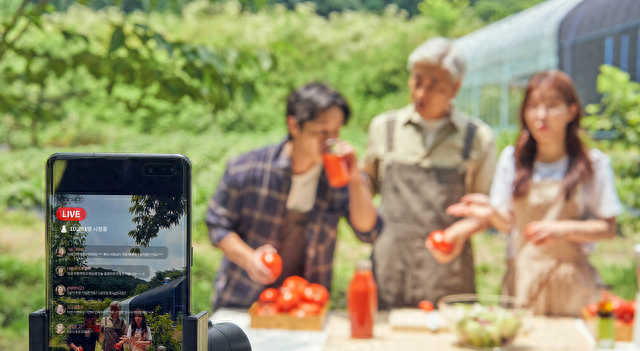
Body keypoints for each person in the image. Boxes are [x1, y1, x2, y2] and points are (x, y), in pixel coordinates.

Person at [439, 70, 622, 317]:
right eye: (533, 106)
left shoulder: (593, 165)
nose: (541, 115)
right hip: (522, 280)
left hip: (573, 281)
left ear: (571, 111)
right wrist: (491, 212)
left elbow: (608, 228)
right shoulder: (512, 161)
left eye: (552, 105)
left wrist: (564, 230)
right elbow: (508, 223)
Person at [206, 82, 382, 311]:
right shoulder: (246, 168)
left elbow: (368, 230)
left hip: (305, 305)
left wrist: (356, 179)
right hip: (243, 301)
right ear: (294, 126)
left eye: (336, 131)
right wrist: (249, 259)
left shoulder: (337, 176)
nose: (331, 141)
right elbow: (217, 224)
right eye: (322, 131)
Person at [362, 37, 497, 309]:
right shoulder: (384, 128)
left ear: (455, 88)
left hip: (448, 266)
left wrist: (457, 234)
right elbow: (365, 187)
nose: (421, 93)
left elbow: (486, 208)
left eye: (434, 86)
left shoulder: (477, 138)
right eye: (417, 81)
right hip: (390, 263)